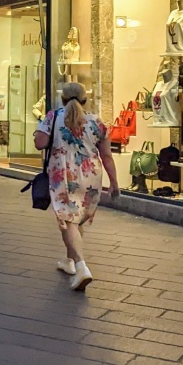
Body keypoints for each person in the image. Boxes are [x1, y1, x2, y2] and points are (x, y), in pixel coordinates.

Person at [33, 82, 121, 292]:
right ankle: (69, 260)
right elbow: (107, 155)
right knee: (77, 217)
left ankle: (81, 266)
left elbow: (39, 143)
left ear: (62, 98)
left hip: (63, 174)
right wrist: (114, 183)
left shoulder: (53, 117)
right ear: (85, 99)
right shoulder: (97, 123)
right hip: (91, 175)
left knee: (67, 220)